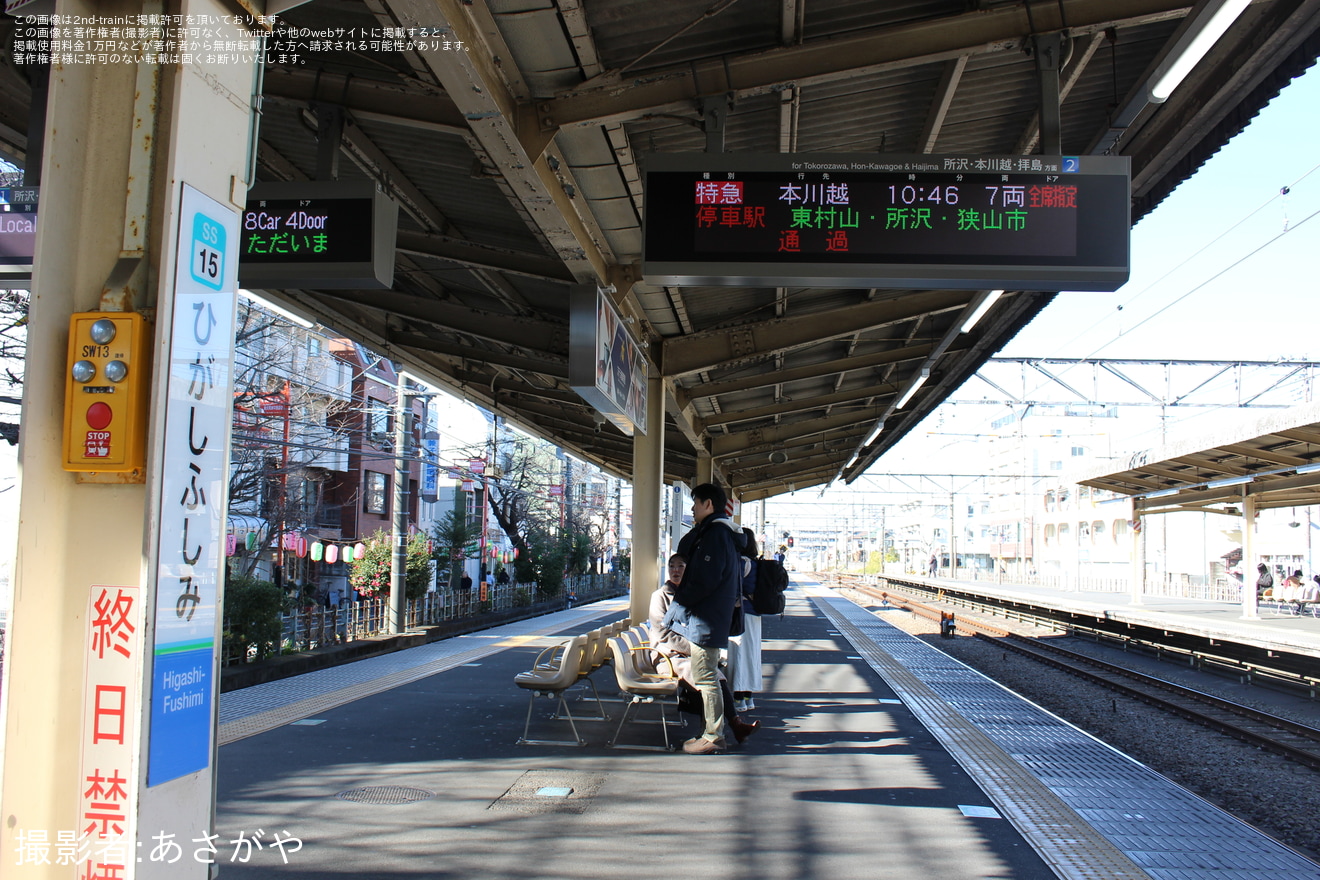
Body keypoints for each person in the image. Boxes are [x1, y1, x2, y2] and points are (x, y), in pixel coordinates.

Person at [664, 482, 745, 755]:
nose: (692, 508)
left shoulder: (716, 535)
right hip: (710, 617)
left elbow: (705, 579)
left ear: (708, 504)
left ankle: (713, 736)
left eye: (696, 503)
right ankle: (713, 732)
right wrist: (699, 529)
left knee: (706, 677)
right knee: (707, 675)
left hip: (705, 619)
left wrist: (681, 605)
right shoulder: (712, 532)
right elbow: (684, 548)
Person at [650, 553, 759, 744]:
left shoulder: (691, 594)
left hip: (689, 654)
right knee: (707, 673)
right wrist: (696, 648)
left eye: (681, 566)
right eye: (672, 566)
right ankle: (727, 727)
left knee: (712, 672)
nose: (676, 570)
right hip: (666, 655)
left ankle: (728, 725)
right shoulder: (659, 596)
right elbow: (662, 633)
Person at [727, 528, 764, 713]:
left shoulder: (741, 563)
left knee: (738, 654)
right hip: (755, 615)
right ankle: (749, 697)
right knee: (751, 655)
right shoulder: (757, 564)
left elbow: (732, 587)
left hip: (741, 614)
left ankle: (738, 698)